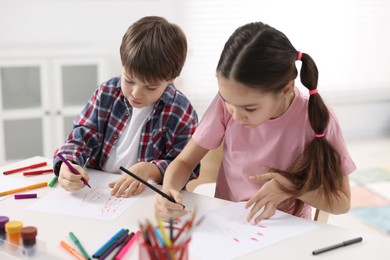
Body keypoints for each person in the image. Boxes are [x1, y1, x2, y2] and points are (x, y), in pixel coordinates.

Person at [154, 21, 356, 224]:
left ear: (286, 89)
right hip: (229, 221)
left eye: (249, 109)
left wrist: (291, 187)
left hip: (288, 228)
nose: (236, 116)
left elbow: (342, 202)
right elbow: (184, 161)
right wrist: (168, 190)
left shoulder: (316, 118)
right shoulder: (230, 103)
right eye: (228, 102)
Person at [53, 16, 199, 197]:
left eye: (150, 87)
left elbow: (187, 166)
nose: (136, 93)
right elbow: (80, 138)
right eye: (129, 80)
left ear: (171, 78)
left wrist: (150, 170)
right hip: (98, 191)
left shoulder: (180, 111)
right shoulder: (107, 92)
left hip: (148, 197)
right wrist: (69, 164)